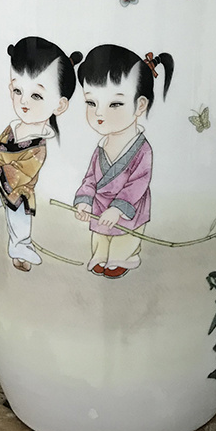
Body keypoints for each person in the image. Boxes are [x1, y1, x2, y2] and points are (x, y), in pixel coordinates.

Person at [0, 36, 82, 272]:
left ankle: (20, 249)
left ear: (60, 105)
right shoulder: (13, 128)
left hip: (21, 190)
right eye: (18, 90)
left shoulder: (38, 146)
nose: (23, 101)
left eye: (36, 96)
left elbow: (24, 171)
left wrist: (1, 170)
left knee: (20, 223)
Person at [73, 45, 173, 279]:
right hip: (100, 205)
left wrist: (118, 208)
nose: (100, 114)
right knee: (100, 236)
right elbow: (90, 178)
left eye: (115, 104)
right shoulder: (101, 147)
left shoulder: (142, 150)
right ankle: (100, 257)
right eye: (91, 103)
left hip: (128, 207)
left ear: (140, 105)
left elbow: (138, 183)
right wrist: (85, 201)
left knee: (124, 237)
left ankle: (122, 258)